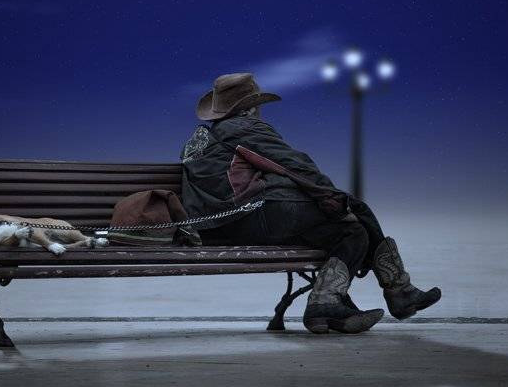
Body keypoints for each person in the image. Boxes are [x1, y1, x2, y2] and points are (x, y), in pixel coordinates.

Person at [180, 72, 441, 334]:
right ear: (249, 109)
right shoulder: (245, 128)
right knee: (355, 208)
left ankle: (326, 306)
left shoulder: (202, 138)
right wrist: (330, 196)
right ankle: (399, 290)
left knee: (351, 232)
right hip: (245, 216)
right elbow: (294, 165)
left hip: (213, 227)